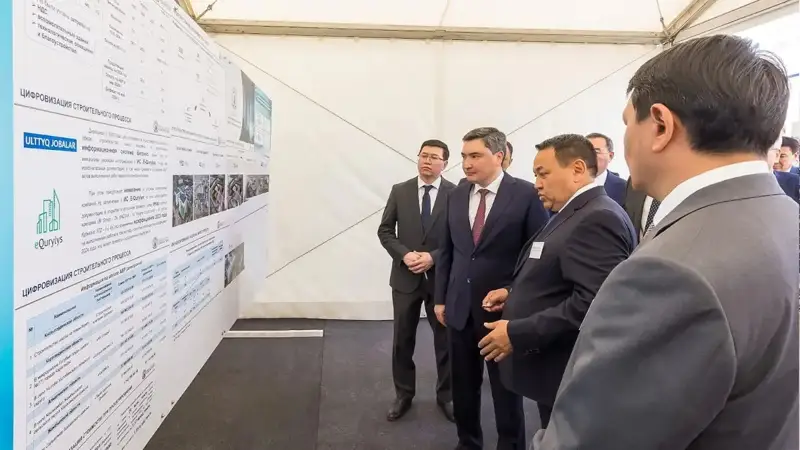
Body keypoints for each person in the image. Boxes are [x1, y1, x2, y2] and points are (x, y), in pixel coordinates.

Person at [533, 34, 799, 450]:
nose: (625, 141)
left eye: (627, 123)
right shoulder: (786, 216)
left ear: (660, 125)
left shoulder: (670, 271)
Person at [476, 134, 636, 430]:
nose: (536, 183)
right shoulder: (574, 212)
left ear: (577, 169)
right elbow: (561, 274)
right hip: (554, 366)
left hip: (568, 370)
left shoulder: (597, 218)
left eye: (543, 173)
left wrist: (518, 332)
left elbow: (594, 303)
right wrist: (512, 293)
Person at [435, 127, 549, 450]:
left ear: (498, 156)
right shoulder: (456, 195)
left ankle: (510, 445)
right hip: (459, 309)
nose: (466, 163)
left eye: (475, 155)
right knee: (463, 387)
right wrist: (440, 298)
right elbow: (447, 250)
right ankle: (468, 442)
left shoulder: (526, 195)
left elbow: (537, 255)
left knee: (506, 391)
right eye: (464, 156)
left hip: (502, 313)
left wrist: (514, 293)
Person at [377, 139, 456, 422]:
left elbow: (460, 238)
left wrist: (433, 257)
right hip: (405, 278)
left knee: (446, 341)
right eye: (424, 155)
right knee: (402, 340)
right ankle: (403, 394)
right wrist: (405, 254)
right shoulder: (400, 191)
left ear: (445, 163)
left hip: (441, 280)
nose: (427, 161)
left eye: (434, 157)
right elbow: (385, 231)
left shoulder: (456, 194)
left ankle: (446, 396)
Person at [585, 133, 626, 205]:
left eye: (596, 152)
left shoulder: (624, 188)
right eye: (585, 152)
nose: (589, 156)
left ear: (610, 156)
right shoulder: (570, 184)